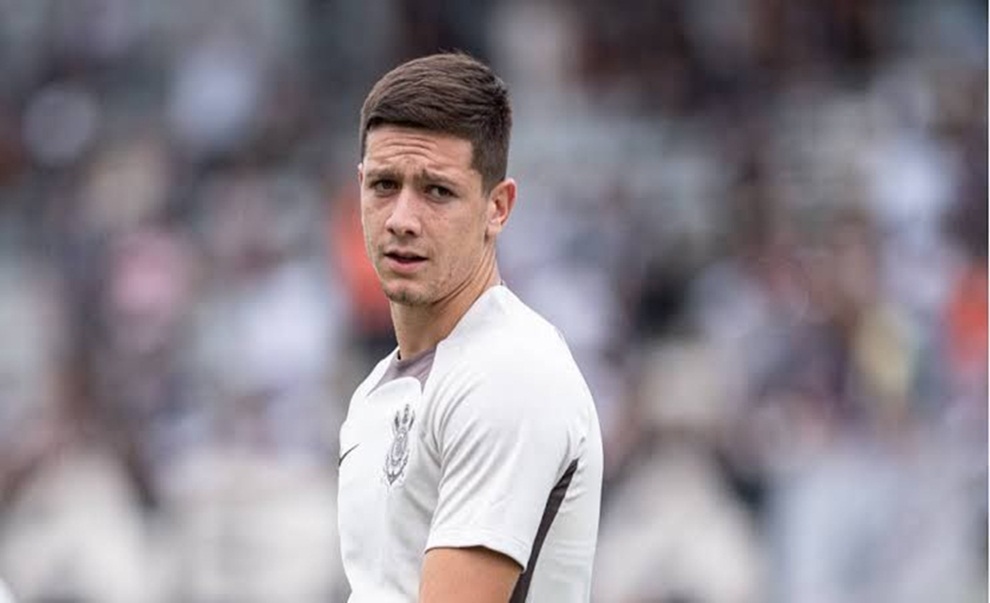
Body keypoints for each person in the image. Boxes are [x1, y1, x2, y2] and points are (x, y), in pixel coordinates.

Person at [336, 52, 604, 603]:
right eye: (384, 185)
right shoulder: (375, 392)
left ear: (498, 207)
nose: (402, 219)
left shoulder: (510, 372)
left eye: (437, 191)